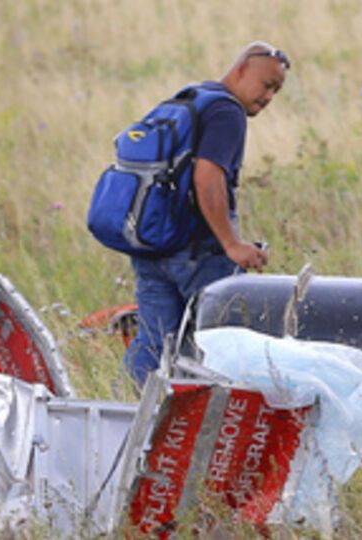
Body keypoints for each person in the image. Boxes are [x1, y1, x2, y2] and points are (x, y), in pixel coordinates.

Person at [124, 41, 290, 385]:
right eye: (267, 85)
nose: (269, 96)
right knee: (218, 346)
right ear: (242, 68)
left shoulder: (192, 98)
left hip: (153, 247)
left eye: (277, 90)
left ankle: (123, 408)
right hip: (198, 254)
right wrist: (231, 244)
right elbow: (208, 176)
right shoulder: (227, 112)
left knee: (154, 343)